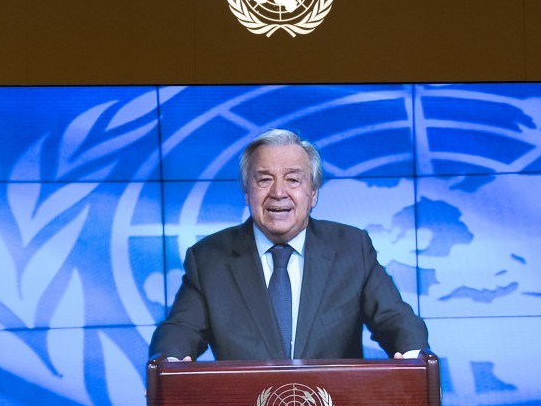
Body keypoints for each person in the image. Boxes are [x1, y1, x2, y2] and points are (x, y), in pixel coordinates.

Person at [148, 129, 429, 362]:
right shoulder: (209, 258)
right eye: (264, 180)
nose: (279, 192)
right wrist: (168, 365)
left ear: (313, 193)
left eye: (293, 179)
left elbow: (394, 318)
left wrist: (415, 358)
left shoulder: (352, 248)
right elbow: (181, 328)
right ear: (247, 193)